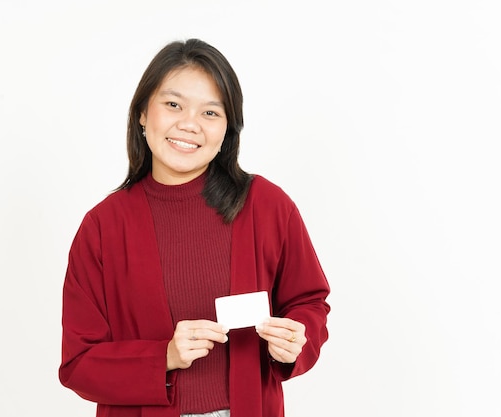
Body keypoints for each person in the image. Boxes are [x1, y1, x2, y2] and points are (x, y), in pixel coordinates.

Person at [59, 38, 330, 417]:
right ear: (141, 113)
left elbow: (309, 303)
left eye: (210, 113)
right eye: (173, 104)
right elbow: (79, 364)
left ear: (227, 131)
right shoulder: (103, 226)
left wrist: (297, 337)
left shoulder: (266, 205)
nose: (188, 124)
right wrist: (163, 356)